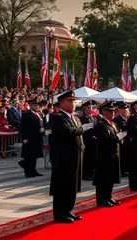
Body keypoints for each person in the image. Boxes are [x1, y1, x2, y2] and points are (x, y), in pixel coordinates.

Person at [50, 90, 88, 223]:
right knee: (62, 184)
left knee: (73, 184)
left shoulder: (75, 117)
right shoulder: (57, 117)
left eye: (73, 101)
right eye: (70, 101)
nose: (73, 104)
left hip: (75, 155)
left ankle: (68, 210)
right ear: (62, 103)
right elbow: (65, 131)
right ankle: (60, 213)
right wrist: (82, 129)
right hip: (63, 157)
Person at [93, 101, 123, 207]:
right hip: (104, 156)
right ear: (104, 112)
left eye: (114, 111)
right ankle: (101, 199)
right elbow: (104, 139)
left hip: (113, 154)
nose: (113, 113)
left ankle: (108, 196)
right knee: (103, 178)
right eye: (111, 111)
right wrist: (117, 138)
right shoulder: (100, 124)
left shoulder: (112, 124)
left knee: (110, 177)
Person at [19, 99, 44, 178]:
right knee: (28, 156)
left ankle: (33, 170)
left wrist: (42, 129)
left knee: (34, 156)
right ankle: (28, 172)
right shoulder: (26, 114)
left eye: (38, 105)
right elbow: (23, 127)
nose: (37, 106)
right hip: (29, 138)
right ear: (31, 105)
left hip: (37, 137)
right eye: (35, 105)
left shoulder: (38, 114)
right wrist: (25, 137)